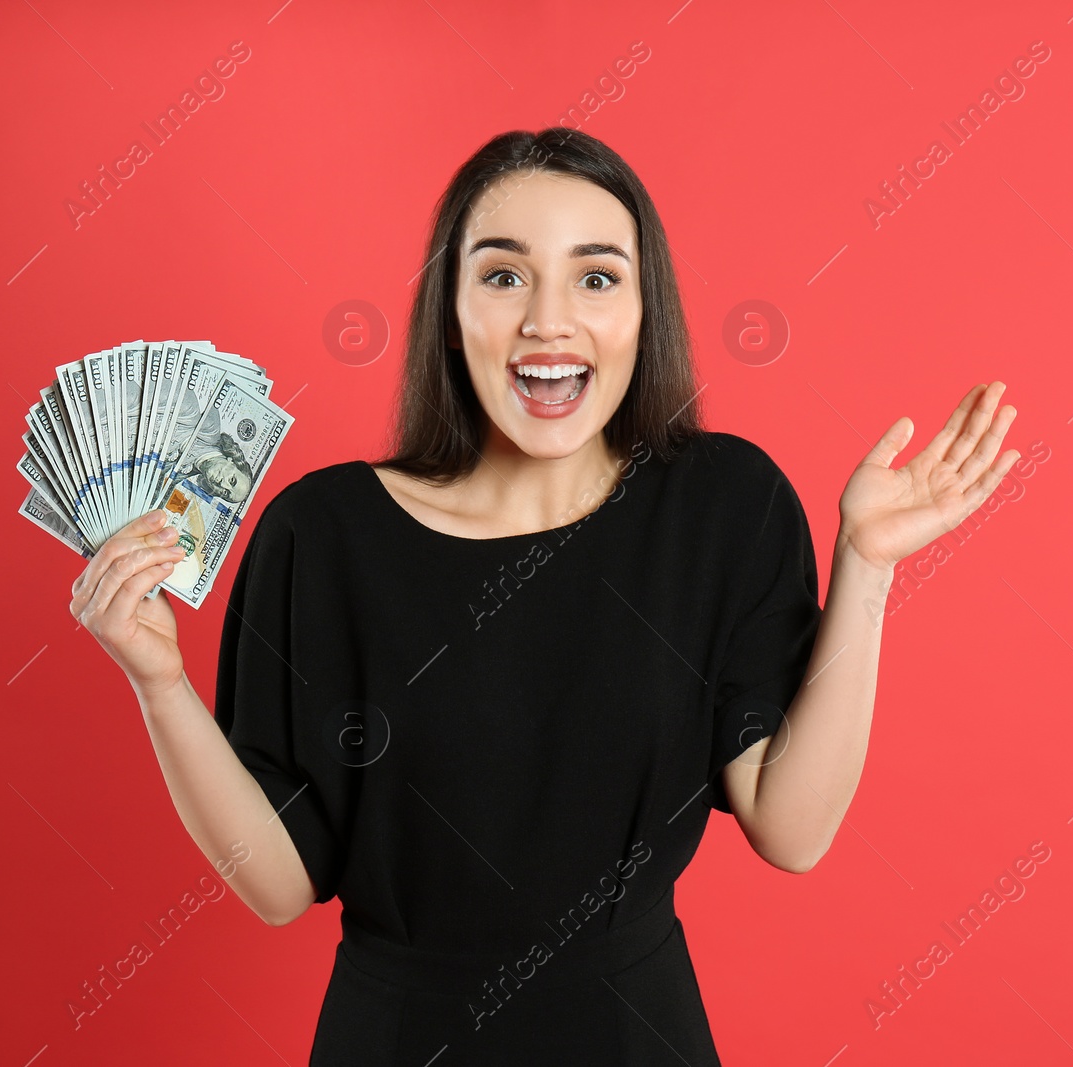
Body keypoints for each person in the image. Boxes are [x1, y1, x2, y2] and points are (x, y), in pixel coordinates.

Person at [68, 127, 1019, 1064]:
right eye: (504, 274)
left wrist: (867, 563)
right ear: (449, 308)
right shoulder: (321, 534)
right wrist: (160, 683)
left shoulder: (722, 505)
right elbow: (279, 885)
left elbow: (792, 826)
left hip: (635, 1035)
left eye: (596, 277)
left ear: (647, 314)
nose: (548, 322)